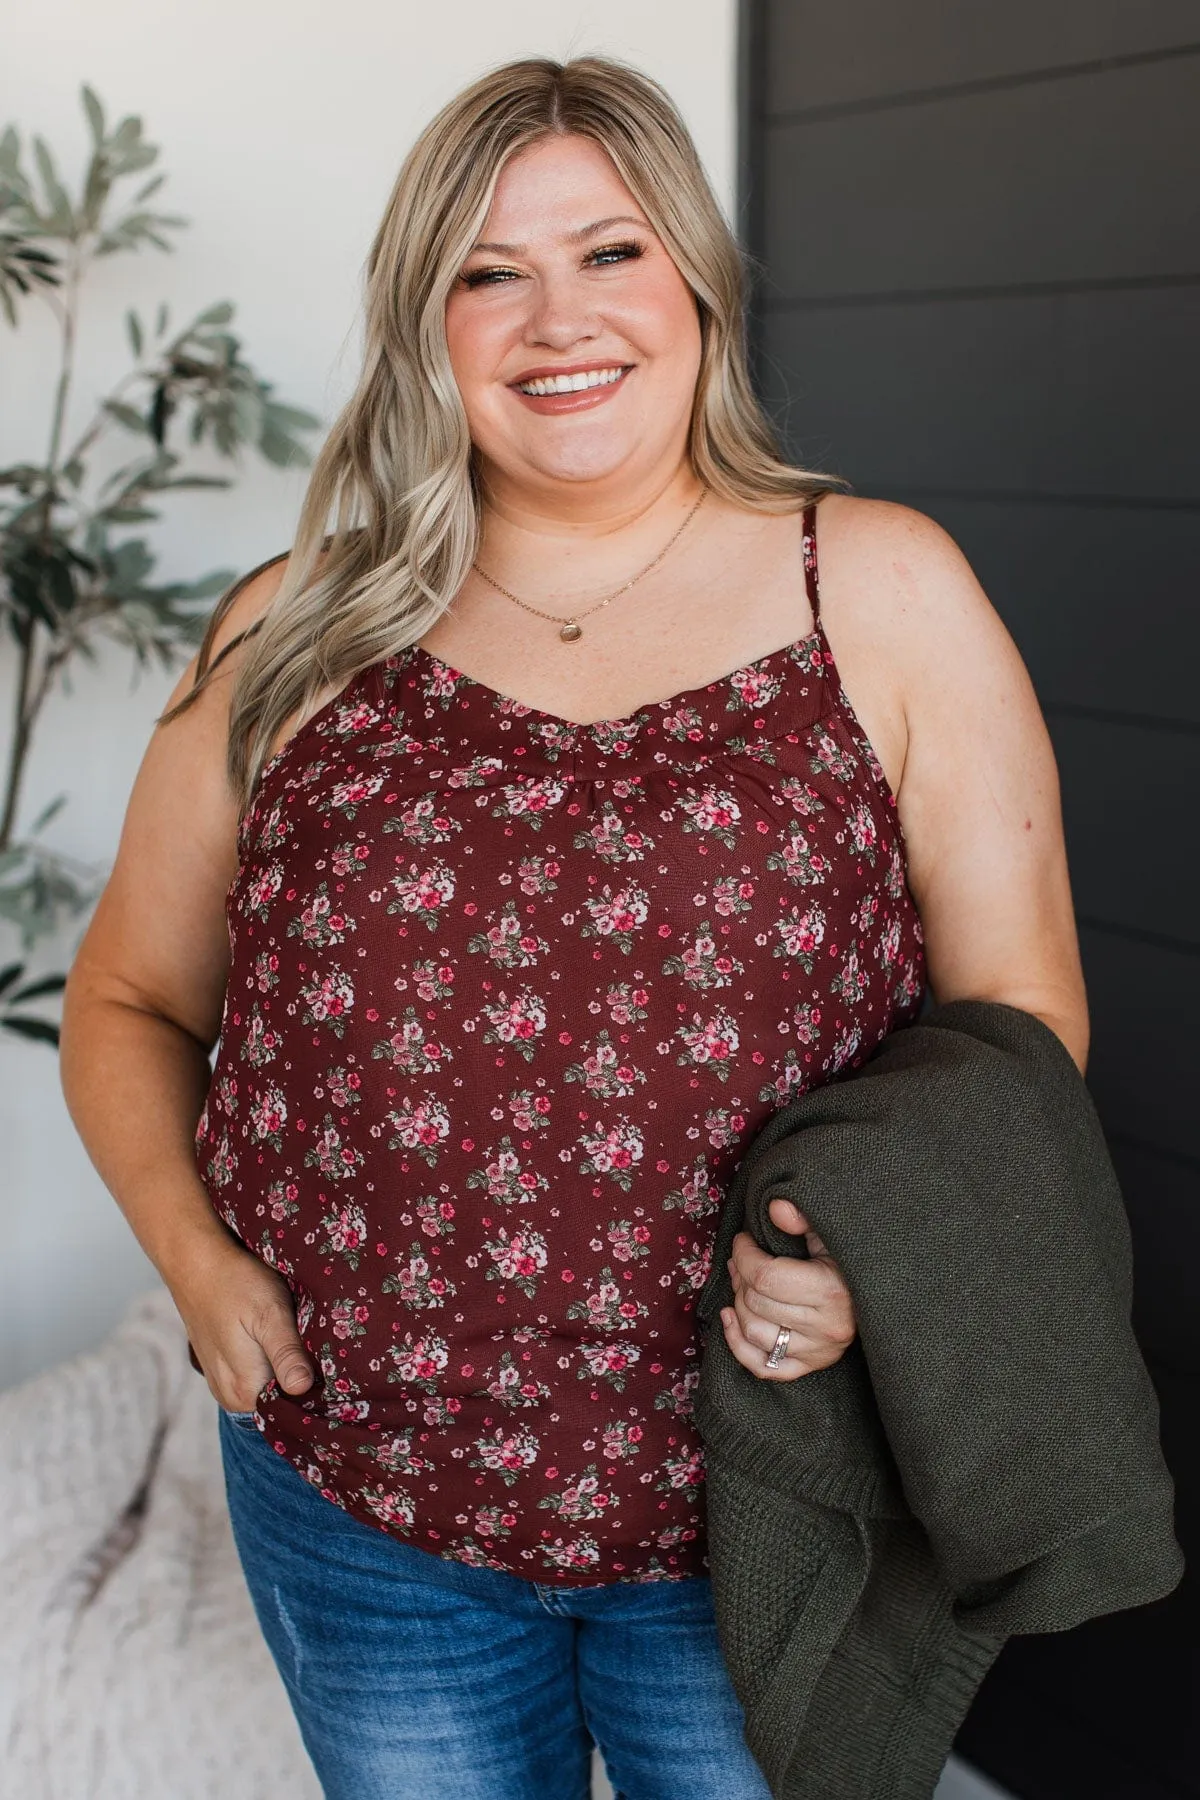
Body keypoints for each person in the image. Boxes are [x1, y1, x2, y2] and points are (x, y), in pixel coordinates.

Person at [59, 53, 1088, 1800]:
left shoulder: (884, 588)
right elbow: (132, 997)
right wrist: (195, 1263)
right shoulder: (292, 632)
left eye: (609, 252)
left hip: (770, 1495)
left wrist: (876, 1257)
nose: (559, 318)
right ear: (425, 325)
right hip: (364, 1495)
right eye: (488, 271)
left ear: (695, 279)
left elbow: (1021, 1026)